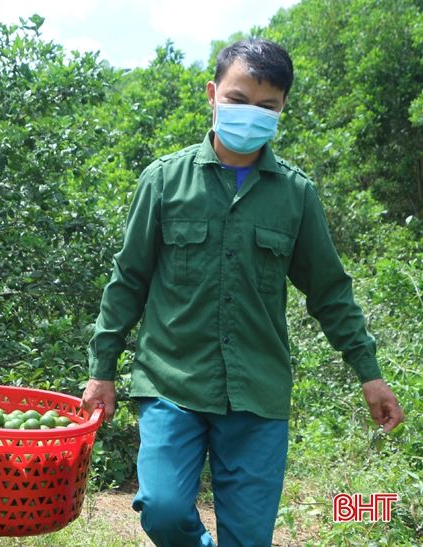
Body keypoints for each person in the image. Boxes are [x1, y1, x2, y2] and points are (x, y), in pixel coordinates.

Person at [81, 38, 404, 547]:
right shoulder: (164, 181)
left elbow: (331, 293)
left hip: (257, 392)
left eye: (266, 105)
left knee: (250, 539)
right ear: (212, 94)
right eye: (237, 98)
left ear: (282, 111)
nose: (250, 113)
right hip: (171, 382)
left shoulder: (295, 195)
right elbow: (129, 281)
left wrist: (370, 374)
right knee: (162, 510)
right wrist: (102, 371)